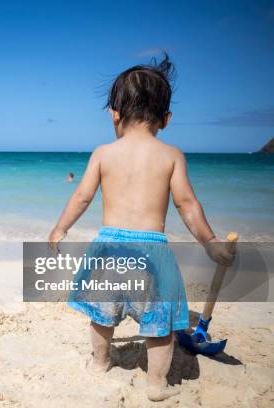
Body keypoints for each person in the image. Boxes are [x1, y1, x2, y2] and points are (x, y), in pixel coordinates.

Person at [48, 54, 235, 402]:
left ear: (114, 114)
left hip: (109, 249)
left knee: (103, 316)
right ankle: (155, 385)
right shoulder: (172, 155)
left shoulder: (103, 152)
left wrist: (60, 228)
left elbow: (82, 197)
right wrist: (210, 241)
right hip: (152, 250)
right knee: (159, 327)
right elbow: (186, 205)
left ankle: (100, 363)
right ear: (166, 119)